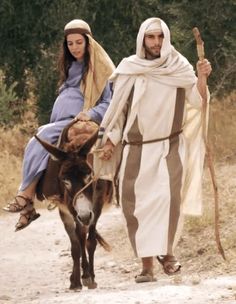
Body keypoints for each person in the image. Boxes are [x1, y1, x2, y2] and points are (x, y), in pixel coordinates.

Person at [94, 17, 212, 283]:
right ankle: (147, 265)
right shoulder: (130, 70)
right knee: (135, 207)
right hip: (135, 149)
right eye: (151, 37)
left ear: (166, 38)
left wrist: (202, 78)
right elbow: (118, 111)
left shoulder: (179, 68)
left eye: (160, 37)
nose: (156, 42)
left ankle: (167, 254)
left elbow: (197, 99)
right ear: (142, 40)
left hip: (169, 146)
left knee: (167, 200)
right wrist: (110, 141)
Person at [3, 19, 115, 231]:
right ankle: (30, 203)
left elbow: (109, 102)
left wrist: (89, 114)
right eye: (70, 43)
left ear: (88, 42)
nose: (74, 47)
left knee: (41, 137)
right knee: (45, 146)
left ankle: (25, 195)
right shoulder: (71, 66)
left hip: (80, 120)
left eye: (78, 42)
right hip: (61, 121)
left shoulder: (101, 68)